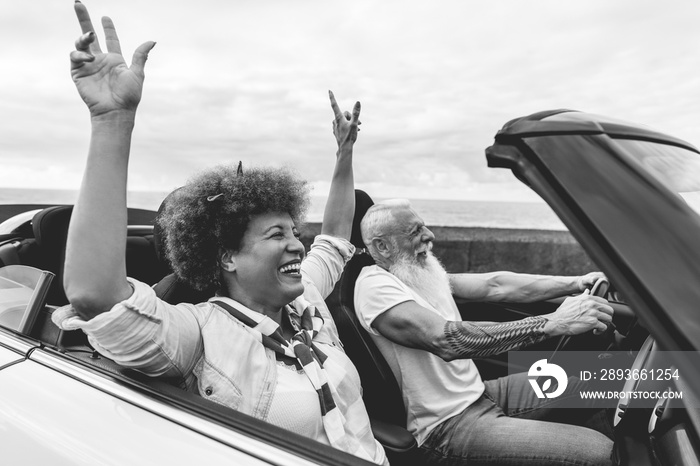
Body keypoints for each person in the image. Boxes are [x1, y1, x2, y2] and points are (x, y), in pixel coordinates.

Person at [52, 2, 387, 464]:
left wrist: (344, 153)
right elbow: (94, 295)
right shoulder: (197, 333)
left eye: (294, 230)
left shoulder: (305, 296)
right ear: (227, 256)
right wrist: (112, 123)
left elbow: (334, 236)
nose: (297, 244)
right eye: (276, 235)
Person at [354, 199, 616, 466]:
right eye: (414, 231)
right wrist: (552, 322)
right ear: (382, 247)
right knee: (601, 453)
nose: (429, 235)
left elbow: (496, 285)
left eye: (424, 226)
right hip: (447, 427)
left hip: (482, 393)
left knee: (602, 380)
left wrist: (576, 282)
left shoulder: (416, 274)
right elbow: (447, 339)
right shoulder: (375, 287)